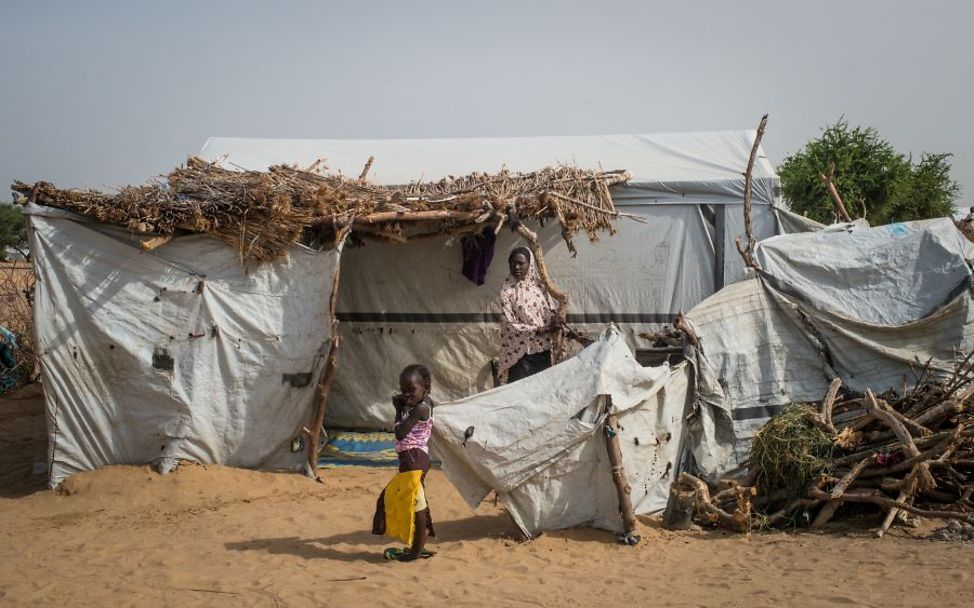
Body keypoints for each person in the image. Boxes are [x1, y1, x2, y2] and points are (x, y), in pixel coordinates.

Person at [372, 364, 436, 561]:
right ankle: (419, 542)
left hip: (413, 460)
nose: (407, 394)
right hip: (414, 460)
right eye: (404, 390)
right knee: (416, 502)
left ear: (426, 388)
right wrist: (405, 405)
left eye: (412, 390)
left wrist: (398, 409)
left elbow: (400, 433)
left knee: (415, 505)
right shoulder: (423, 403)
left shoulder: (421, 408)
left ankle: (415, 551)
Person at [498, 247, 563, 383]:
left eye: (521, 263)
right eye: (513, 263)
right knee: (519, 394)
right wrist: (542, 329)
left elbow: (550, 311)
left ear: (530, 264)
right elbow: (509, 324)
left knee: (541, 392)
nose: (516, 267)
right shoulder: (507, 291)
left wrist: (556, 322)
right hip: (520, 354)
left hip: (542, 350)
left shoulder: (540, 287)